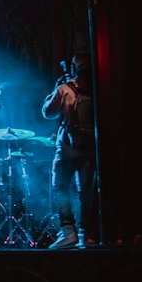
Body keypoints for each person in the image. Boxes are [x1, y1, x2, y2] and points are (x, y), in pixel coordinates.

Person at [41, 50, 97, 248]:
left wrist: (56, 88)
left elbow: (47, 112)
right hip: (91, 150)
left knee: (61, 188)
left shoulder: (65, 89)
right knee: (87, 192)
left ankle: (68, 231)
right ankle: (89, 234)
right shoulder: (97, 89)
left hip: (67, 149)